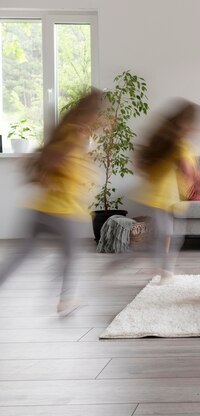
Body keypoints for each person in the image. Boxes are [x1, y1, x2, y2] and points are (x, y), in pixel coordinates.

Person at [0, 89, 103, 315]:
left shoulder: (64, 131)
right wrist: (54, 165)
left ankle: (64, 296)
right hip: (64, 210)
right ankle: (66, 299)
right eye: (97, 115)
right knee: (70, 256)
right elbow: (52, 158)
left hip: (40, 208)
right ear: (91, 114)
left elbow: (47, 160)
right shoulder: (73, 134)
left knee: (24, 252)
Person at [133, 100, 200, 283]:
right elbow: (186, 168)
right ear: (187, 124)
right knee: (168, 235)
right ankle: (164, 271)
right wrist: (198, 177)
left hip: (163, 198)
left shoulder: (171, 141)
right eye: (194, 125)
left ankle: (162, 268)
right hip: (161, 198)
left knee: (166, 235)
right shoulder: (179, 144)